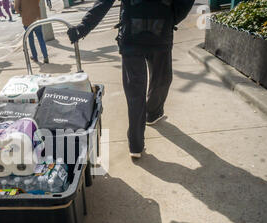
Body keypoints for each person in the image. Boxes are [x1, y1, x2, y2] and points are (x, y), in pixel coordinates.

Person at [67, 0, 194, 158]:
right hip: (143, 37)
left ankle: (150, 118)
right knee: (144, 89)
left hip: (150, 36)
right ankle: (137, 141)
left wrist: (172, 17)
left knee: (156, 84)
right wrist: (83, 27)